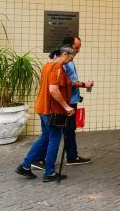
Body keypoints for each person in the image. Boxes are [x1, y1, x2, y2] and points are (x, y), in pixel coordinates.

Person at [15, 45, 77, 182]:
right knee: (54, 139)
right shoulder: (57, 67)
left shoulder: (48, 65)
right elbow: (53, 90)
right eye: (72, 56)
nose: (72, 60)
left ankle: (25, 166)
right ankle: (49, 172)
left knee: (45, 137)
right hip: (52, 110)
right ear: (65, 54)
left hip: (42, 108)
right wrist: (66, 106)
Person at [31, 35, 93, 170]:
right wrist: (66, 105)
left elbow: (66, 82)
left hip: (53, 105)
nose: (77, 53)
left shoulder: (53, 63)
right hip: (60, 104)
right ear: (66, 51)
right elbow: (56, 88)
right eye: (76, 49)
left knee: (49, 134)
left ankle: (30, 163)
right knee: (57, 135)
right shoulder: (58, 65)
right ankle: (49, 167)